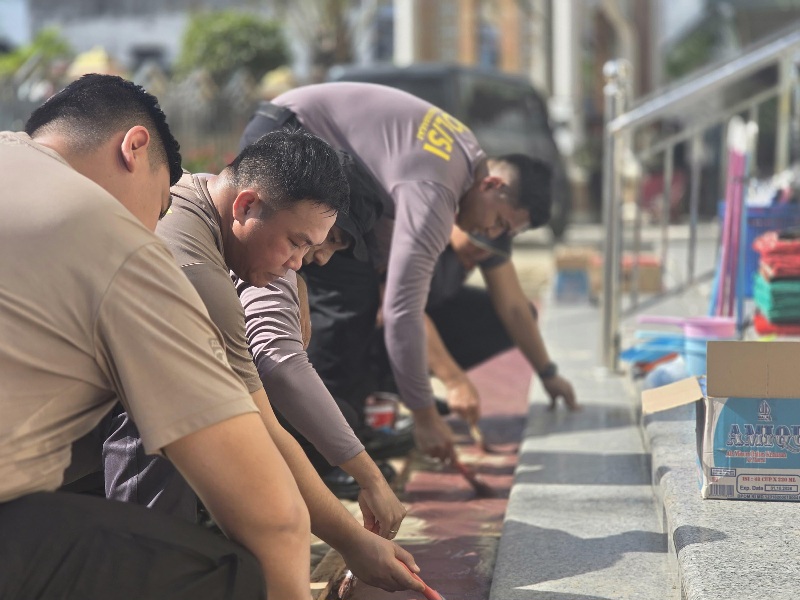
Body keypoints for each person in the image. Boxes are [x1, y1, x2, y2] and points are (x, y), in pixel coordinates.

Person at [0, 73, 312, 599]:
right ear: (135, 147)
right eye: (161, 204)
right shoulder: (114, 238)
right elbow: (275, 518)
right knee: (237, 575)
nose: (156, 226)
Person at [102, 128, 422, 593]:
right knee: (183, 413)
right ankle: (148, 568)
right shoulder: (199, 277)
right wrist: (354, 541)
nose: (298, 264)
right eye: (295, 243)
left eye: (310, 249)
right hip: (39, 445)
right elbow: (264, 432)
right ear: (246, 205)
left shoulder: (197, 191)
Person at [240, 82, 539, 464]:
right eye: (497, 221)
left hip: (297, 130)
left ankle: (348, 434)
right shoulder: (436, 193)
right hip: (292, 135)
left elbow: (387, 261)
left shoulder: (465, 152)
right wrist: (425, 415)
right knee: (345, 297)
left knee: (357, 285)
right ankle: (320, 457)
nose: (488, 234)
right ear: (492, 186)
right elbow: (402, 311)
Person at [237, 150, 409, 510]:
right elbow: (280, 365)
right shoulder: (265, 253)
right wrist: (368, 477)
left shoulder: (278, 254)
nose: (320, 257)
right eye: (324, 240)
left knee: (331, 418)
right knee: (319, 422)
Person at [380, 159, 578, 424]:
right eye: (485, 229)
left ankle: (400, 386)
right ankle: (379, 391)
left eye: (501, 228)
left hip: (419, 316)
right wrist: (454, 381)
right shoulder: (426, 222)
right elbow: (399, 309)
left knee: (514, 315)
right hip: (382, 321)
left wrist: (548, 373)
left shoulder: (490, 230)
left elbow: (514, 308)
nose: (487, 236)